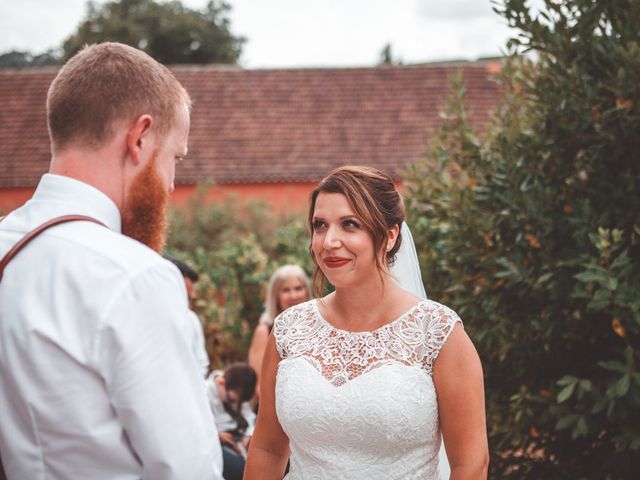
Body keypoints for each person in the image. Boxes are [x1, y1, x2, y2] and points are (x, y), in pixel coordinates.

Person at [0, 43, 222, 479]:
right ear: (139, 138)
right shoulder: (135, 278)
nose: (172, 184)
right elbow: (189, 469)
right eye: (174, 157)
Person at [245, 166, 489, 479]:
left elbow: (471, 463)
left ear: (389, 235)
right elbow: (267, 448)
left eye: (349, 224)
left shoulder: (438, 332)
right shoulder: (289, 329)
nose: (329, 241)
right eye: (320, 226)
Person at [247, 264, 310, 398]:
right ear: (275, 296)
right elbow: (259, 387)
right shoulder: (265, 330)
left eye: (298, 288)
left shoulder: (318, 325)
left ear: (307, 291)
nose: (294, 295)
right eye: (286, 290)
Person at [206, 363, 257, 480]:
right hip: (219, 442)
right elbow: (200, 427)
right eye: (231, 400)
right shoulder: (204, 392)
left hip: (239, 438)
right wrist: (216, 436)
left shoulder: (238, 389)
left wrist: (248, 437)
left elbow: (249, 417)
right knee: (241, 470)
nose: (234, 404)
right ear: (221, 383)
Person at [166, 256, 210, 377]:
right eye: (181, 295)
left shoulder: (192, 320)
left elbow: (201, 361)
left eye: (188, 298)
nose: (185, 303)